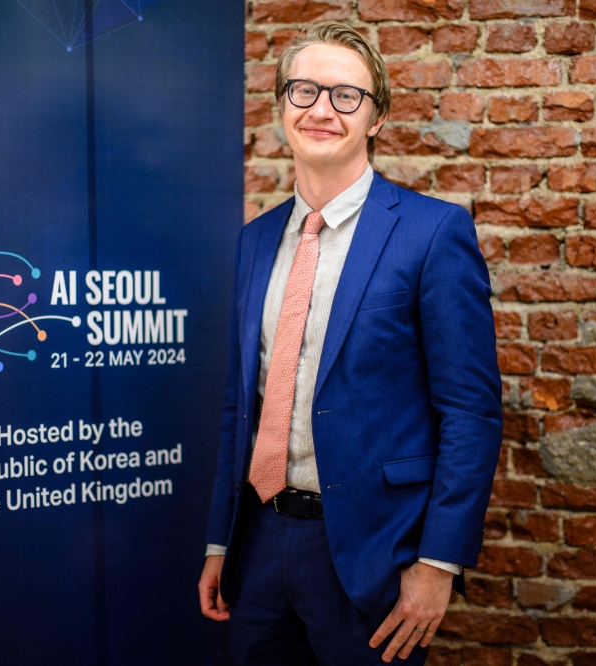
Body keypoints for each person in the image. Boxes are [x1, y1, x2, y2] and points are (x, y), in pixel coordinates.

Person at [199, 21, 503, 665]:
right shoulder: (255, 241)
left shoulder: (431, 232)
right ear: (281, 103)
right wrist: (219, 543)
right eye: (304, 90)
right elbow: (241, 402)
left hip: (374, 557)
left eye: (346, 96)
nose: (321, 110)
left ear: (377, 118)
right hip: (257, 546)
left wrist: (438, 563)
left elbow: (471, 415)